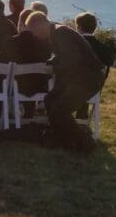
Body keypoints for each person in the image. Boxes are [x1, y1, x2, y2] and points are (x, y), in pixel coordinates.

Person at [44, 23, 107, 152]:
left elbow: (73, 60)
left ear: (39, 27)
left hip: (87, 80)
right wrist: (51, 62)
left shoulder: (61, 33)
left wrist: (53, 68)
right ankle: (61, 138)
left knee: (60, 109)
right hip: (77, 78)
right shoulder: (58, 32)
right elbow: (63, 56)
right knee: (49, 99)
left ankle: (84, 142)